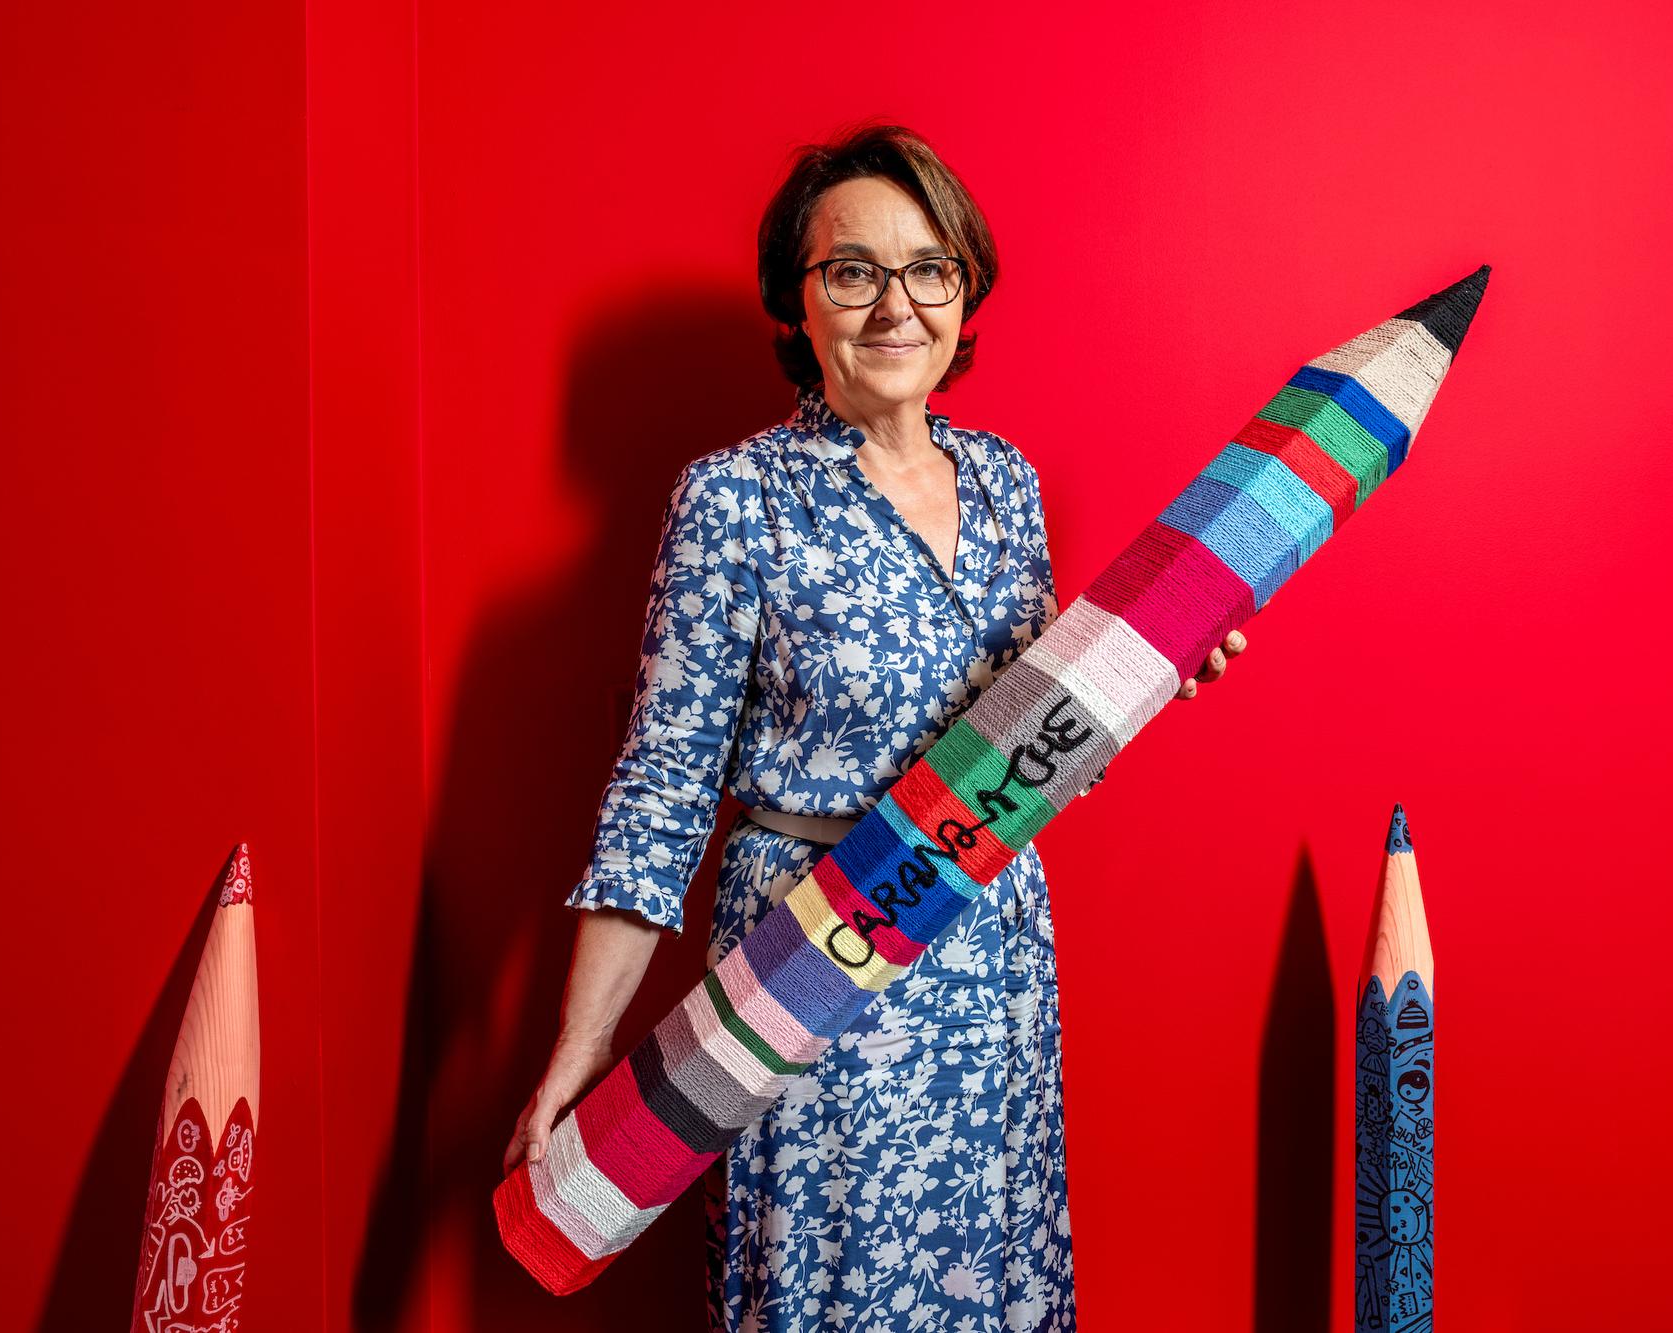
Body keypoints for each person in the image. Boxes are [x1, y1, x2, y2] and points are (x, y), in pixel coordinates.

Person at [502, 123, 1247, 1331]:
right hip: (814, 960)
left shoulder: (1004, 480)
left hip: (990, 944)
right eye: (853, 270)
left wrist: (1153, 673)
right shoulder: (734, 497)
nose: (896, 303)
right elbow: (660, 790)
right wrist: (578, 1055)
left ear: (963, 287)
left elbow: (1033, 750)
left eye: (928, 267)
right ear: (796, 302)